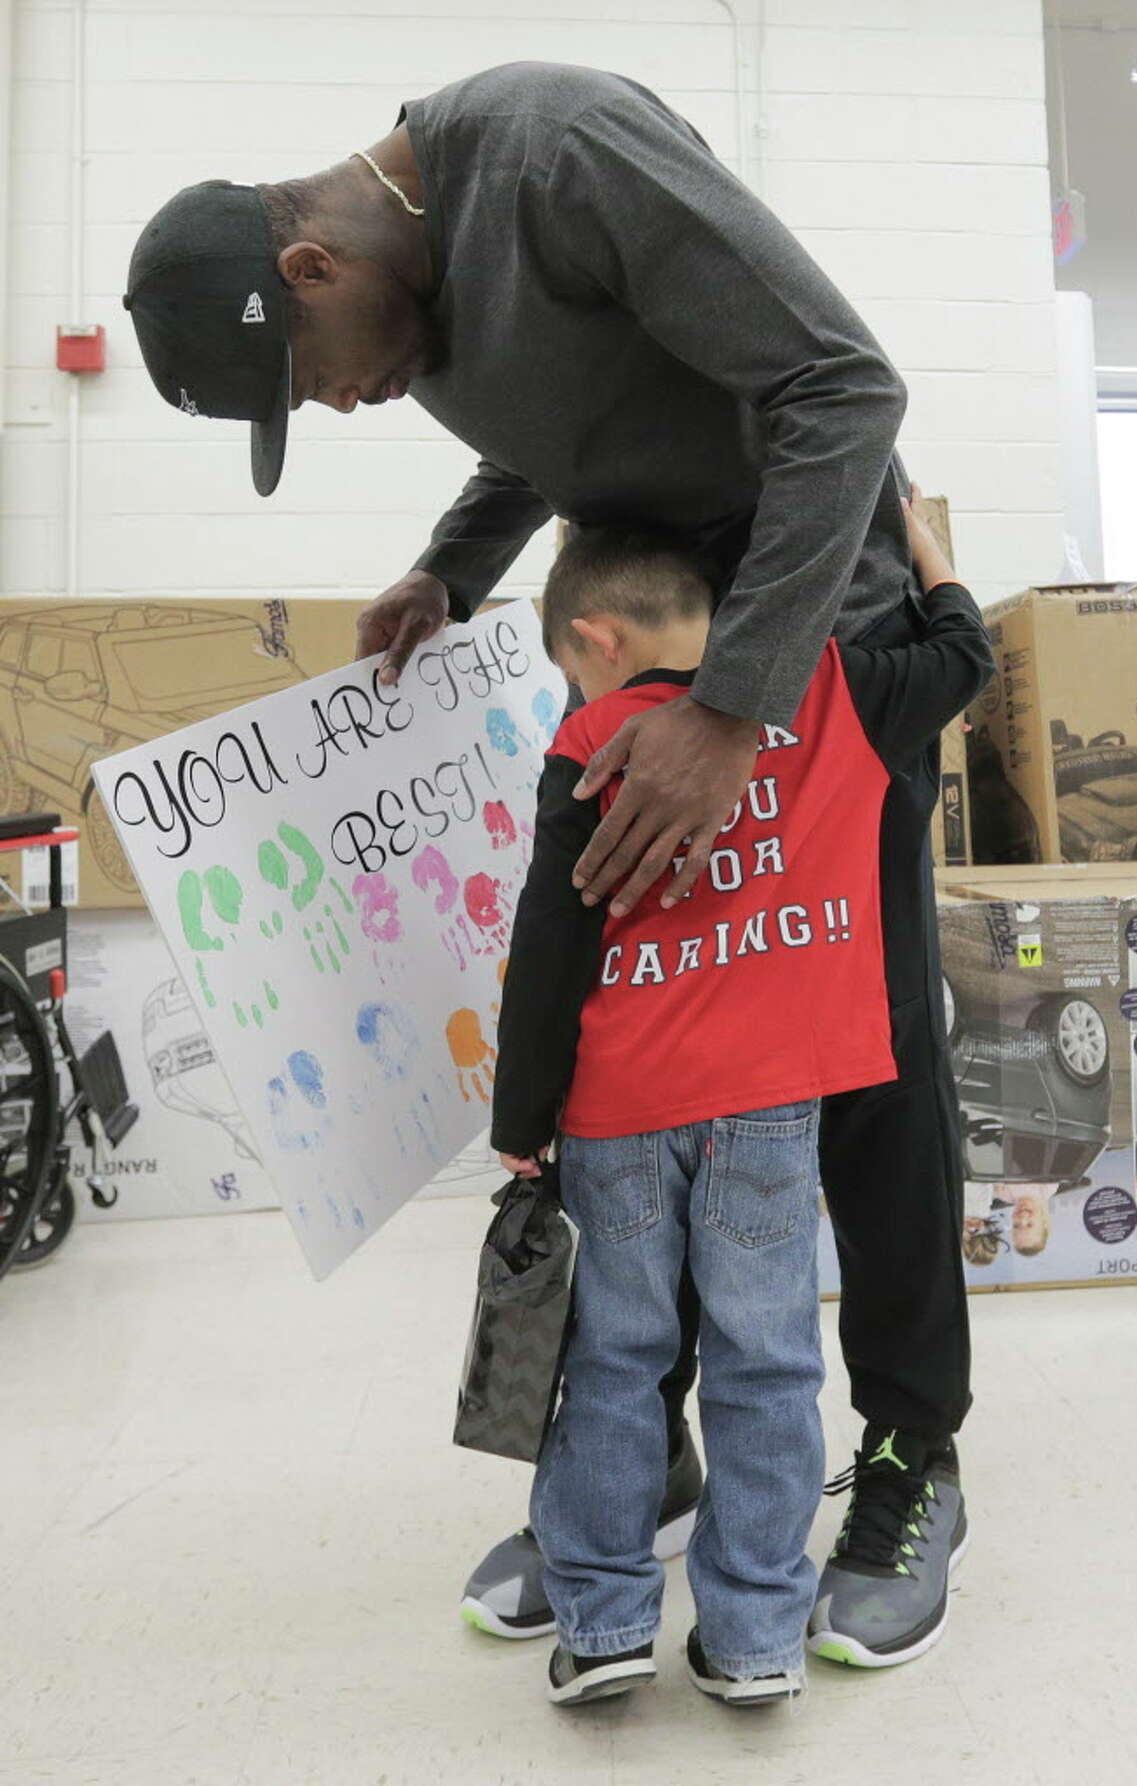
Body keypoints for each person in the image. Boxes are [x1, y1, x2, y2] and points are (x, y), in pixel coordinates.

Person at [124, 60, 979, 1665]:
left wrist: (738, 708)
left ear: (314, 268)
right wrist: (450, 568)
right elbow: (562, 416)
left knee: (854, 1055)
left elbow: (844, 392)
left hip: (813, 632)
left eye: (303, 380)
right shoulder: (410, 295)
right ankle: (627, 1452)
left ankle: (906, 1454)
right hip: (657, 646)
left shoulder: (555, 154)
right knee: (626, 1056)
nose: (333, 407)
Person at [488, 502, 993, 1705]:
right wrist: (932, 560)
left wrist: (522, 1120)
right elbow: (964, 661)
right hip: (774, 1106)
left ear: (598, 641)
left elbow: (551, 942)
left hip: (621, 1114)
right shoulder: (830, 694)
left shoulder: (597, 740)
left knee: (613, 1360)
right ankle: (755, 1635)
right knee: (769, 1363)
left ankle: (605, 1624)